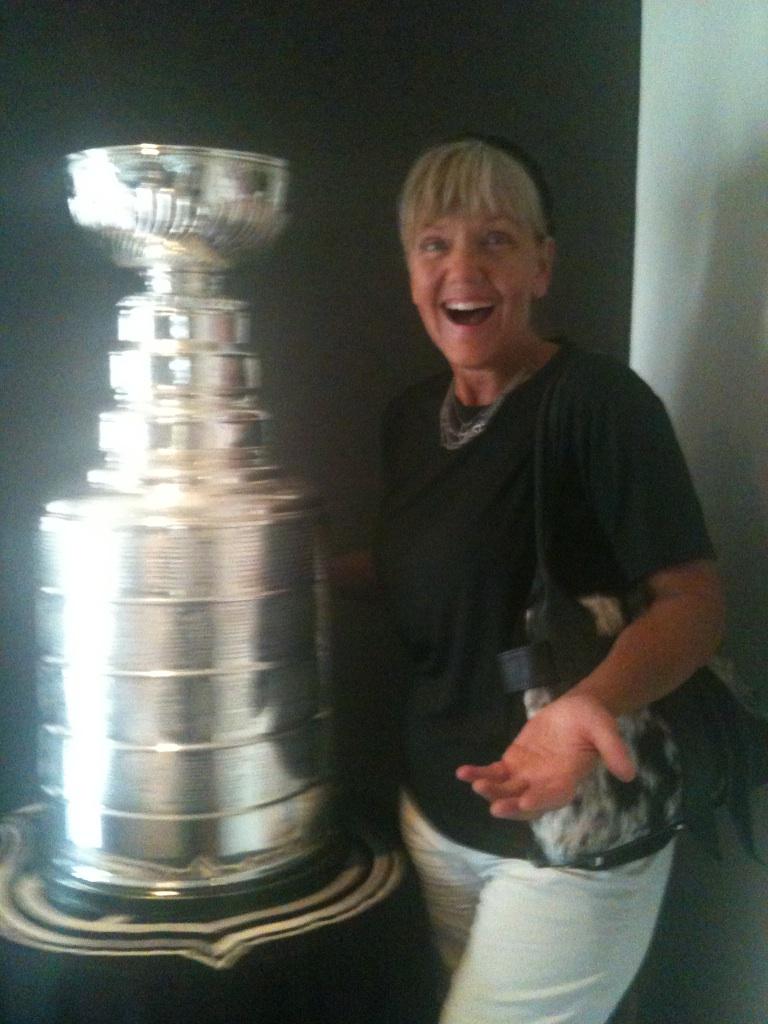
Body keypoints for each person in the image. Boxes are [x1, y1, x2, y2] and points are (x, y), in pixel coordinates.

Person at [344, 135, 724, 1024]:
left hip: (571, 827)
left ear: (541, 266)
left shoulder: (600, 404)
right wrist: (280, 571)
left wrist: (587, 708)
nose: (462, 268)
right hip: (437, 813)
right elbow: (429, 574)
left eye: (496, 240)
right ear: (411, 272)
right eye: (434, 243)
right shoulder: (411, 418)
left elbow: (695, 603)